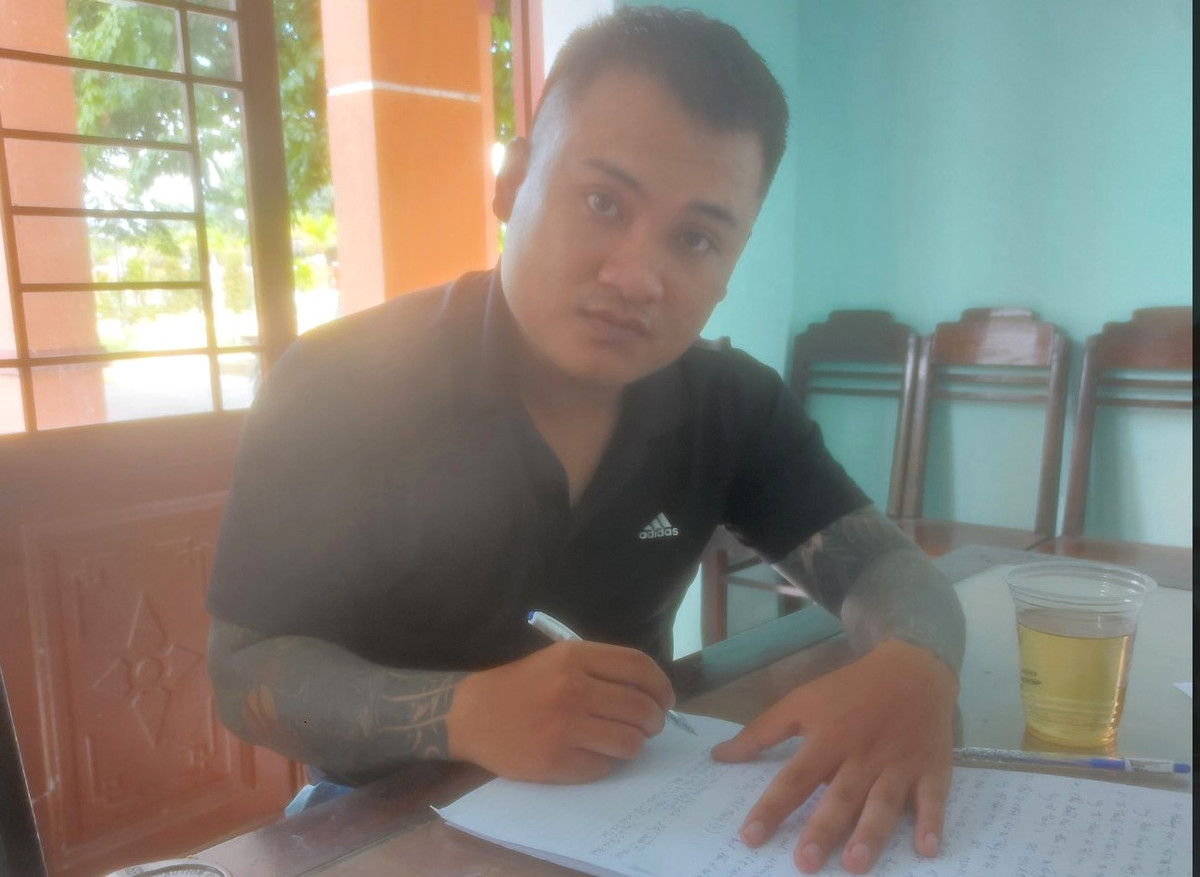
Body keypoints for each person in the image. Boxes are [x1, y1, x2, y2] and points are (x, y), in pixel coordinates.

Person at [205, 7, 964, 874]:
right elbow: (242, 668)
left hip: (639, 812)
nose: (637, 277)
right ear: (511, 181)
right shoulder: (337, 385)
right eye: (603, 202)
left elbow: (884, 567)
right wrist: (465, 711)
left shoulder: (732, 404)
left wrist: (919, 662)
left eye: (696, 238)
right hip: (387, 821)